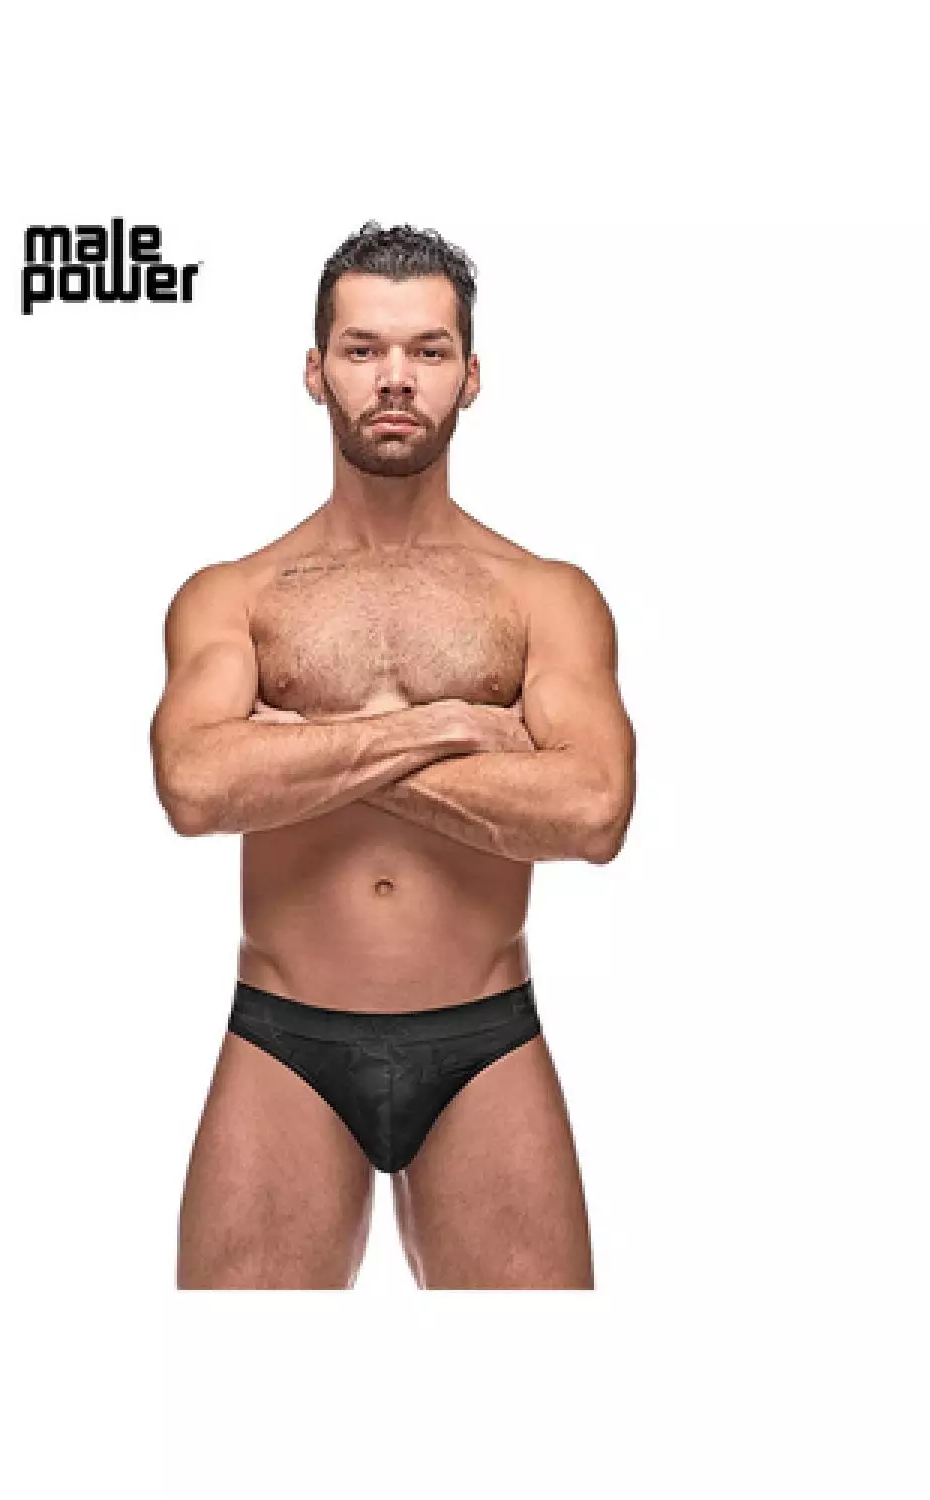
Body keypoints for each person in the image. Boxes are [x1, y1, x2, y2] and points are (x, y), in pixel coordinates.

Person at [150, 221, 636, 1289]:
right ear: (315, 371)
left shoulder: (545, 594)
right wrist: (457, 727)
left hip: (487, 1045)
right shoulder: (234, 593)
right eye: (364, 349)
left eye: (428, 350)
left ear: (471, 377)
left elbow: (595, 810)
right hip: (282, 1043)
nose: (396, 377)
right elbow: (193, 786)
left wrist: (296, 752)